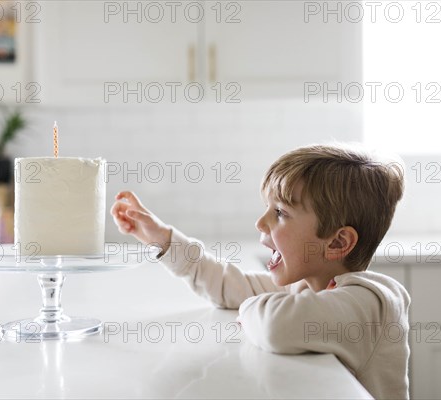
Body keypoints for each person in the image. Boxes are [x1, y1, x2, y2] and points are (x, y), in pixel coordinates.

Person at [111, 143, 410, 400]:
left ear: (337, 242)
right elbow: (229, 286)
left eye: (280, 213)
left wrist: (252, 308)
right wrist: (163, 239)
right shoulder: (309, 286)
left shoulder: (371, 301)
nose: (260, 222)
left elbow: (276, 325)